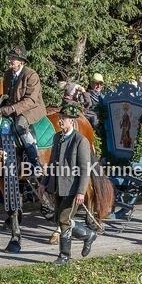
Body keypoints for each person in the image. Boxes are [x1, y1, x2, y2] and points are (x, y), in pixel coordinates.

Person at [43, 102, 96, 265]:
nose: (60, 121)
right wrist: (43, 184)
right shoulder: (57, 137)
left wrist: (81, 192)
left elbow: (85, 169)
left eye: (64, 119)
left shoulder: (80, 141)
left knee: (64, 219)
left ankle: (64, 256)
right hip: (57, 186)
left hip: (72, 189)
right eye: (60, 118)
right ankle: (88, 235)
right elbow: (51, 162)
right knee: (59, 219)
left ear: (72, 121)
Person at [0, 46, 46, 174]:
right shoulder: (7, 74)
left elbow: (31, 99)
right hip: (13, 108)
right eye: (10, 57)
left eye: (13, 58)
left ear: (22, 61)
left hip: (32, 108)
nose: (10, 60)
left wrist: (12, 108)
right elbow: (5, 95)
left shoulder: (31, 75)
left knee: (20, 125)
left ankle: (35, 161)